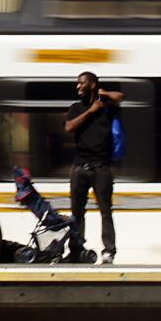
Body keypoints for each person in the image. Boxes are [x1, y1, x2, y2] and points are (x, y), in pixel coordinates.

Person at [65, 71, 124, 264]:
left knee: (105, 210)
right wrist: (91, 111)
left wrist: (103, 94)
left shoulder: (108, 107)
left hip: (101, 167)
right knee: (77, 212)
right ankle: (76, 249)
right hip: (79, 166)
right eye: (76, 84)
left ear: (91, 85)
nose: (77, 87)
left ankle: (108, 251)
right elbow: (69, 127)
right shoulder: (76, 108)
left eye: (81, 83)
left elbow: (120, 97)